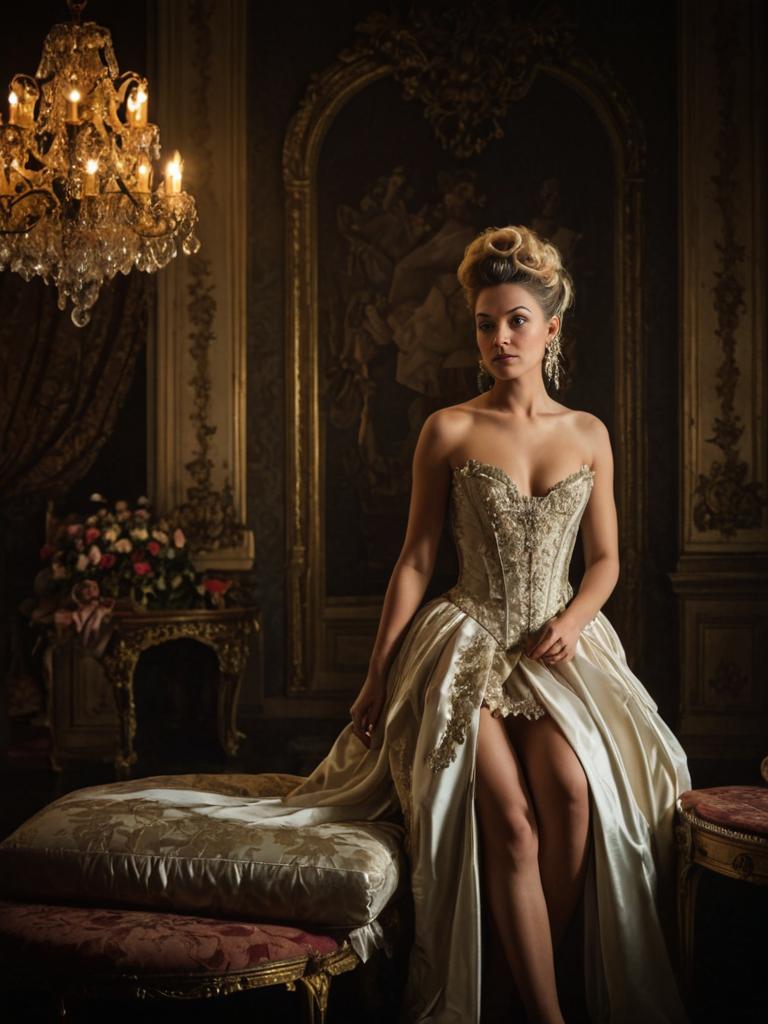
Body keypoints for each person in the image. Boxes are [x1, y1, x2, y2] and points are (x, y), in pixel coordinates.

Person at [237, 225, 691, 1023]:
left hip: (559, 650)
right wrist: (378, 674)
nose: (499, 337)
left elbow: (608, 559)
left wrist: (578, 620)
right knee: (512, 823)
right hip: (466, 643)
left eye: (517, 319)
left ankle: (520, 986)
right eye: (486, 322)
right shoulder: (447, 428)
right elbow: (416, 559)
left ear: (552, 328)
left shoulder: (588, 434)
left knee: (575, 802)